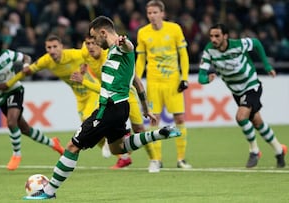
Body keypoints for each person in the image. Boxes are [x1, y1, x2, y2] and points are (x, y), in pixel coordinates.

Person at [22, 15, 181, 200]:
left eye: (94, 37)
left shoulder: (121, 47)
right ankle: (159, 134)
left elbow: (128, 46)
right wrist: (145, 108)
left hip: (109, 108)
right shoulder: (115, 56)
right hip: (121, 109)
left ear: (103, 32)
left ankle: (48, 192)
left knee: (73, 146)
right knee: (118, 149)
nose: (94, 42)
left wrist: (124, 41)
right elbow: (137, 83)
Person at [198, 23, 287, 168]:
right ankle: (279, 150)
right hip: (237, 91)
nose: (213, 39)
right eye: (211, 36)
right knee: (257, 123)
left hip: (251, 85)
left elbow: (257, 43)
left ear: (225, 36)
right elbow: (201, 77)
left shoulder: (238, 44)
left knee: (241, 117)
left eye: (217, 36)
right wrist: (207, 79)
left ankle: (254, 151)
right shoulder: (209, 51)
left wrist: (267, 66)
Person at [0, 36, 65, 171]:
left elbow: (26, 57)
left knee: (11, 122)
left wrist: (26, 66)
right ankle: (53, 143)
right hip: (0, 98)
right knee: (25, 129)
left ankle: (16, 155)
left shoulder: (6, 55)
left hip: (15, 90)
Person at [71, 35, 160, 172]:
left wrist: (83, 81)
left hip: (126, 95)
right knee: (89, 121)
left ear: (100, 44)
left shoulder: (112, 55)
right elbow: (85, 59)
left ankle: (154, 160)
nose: (90, 47)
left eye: (93, 43)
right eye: (87, 43)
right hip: (108, 97)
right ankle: (122, 155)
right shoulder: (85, 52)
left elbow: (135, 80)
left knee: (139, 129)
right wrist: (83, 66)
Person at [135, 0, 192, 170]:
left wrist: (185, 77)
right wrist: (136, 78)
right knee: (154, 120)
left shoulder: (174, 29)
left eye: (155, 12)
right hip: (153, 83)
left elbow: (183, 54)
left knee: (179, 118)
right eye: (149, 13)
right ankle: (157, 159)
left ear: (162, 13)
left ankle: (181, 159)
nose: (152, 16)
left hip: (173, 82)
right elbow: (141, 59)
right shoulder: (143, 33)